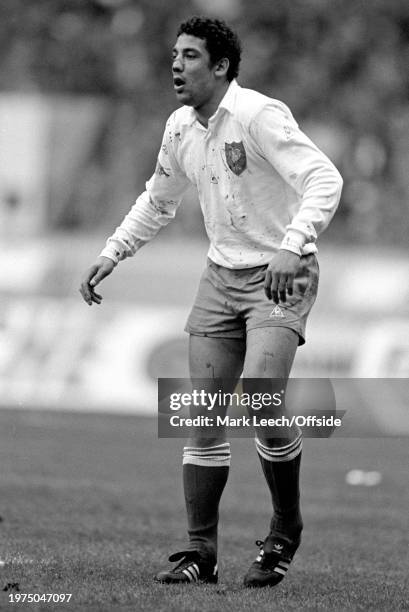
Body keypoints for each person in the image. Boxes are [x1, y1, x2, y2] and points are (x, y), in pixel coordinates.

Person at [80, 16, 343, 588]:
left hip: (281, 273)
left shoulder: (257, 115)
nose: (176, 64)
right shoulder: (180, 127)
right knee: (200, 416)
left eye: (191, 56)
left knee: (260, 398)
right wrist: (114, 250)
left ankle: (285, 528)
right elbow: (159, 198)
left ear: (221, 66)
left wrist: (292, 246)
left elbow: (324, 178)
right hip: (221, 276)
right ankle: (201, 554)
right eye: (175, 54)